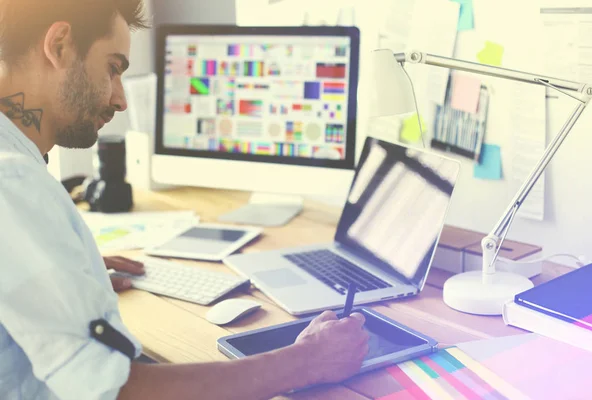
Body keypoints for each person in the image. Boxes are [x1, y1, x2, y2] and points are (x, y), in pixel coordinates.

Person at [0, 1, 369, 399]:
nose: (120, 99)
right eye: (113, 68)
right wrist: (306, 361)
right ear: (59, 45)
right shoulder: (14, 179)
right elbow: (115, 393)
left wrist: (68, 269)